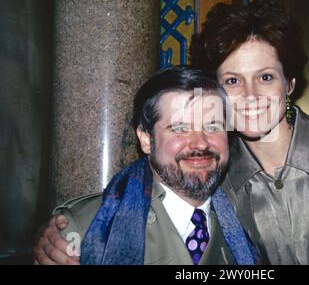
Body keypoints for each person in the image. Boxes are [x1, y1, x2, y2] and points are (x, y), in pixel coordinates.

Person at [35, 0, 309, 265]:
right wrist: (70, 229)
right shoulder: (213, 186)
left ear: (289, 84)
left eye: (265, 76)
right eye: (232, 81)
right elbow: (146, 185)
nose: (250, 94)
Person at [34, 66, 258, 265]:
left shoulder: (250, 220)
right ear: (146, 139)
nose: (200, 142)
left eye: (212, 126)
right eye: (179, 128)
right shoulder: (86, 231)